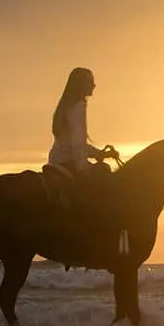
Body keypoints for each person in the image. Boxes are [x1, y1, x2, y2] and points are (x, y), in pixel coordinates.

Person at [45, 67, 127, 256]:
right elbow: (77, 145)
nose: (94, 85)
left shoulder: (66, 105)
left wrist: (101, 155)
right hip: (69, 162)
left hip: (58, 160)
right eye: (91, 81)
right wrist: (83, 168)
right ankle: (98, 239)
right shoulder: (77, 107)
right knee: (106, 181)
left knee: (102, 170)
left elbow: (78, 144)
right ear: (82, 84)